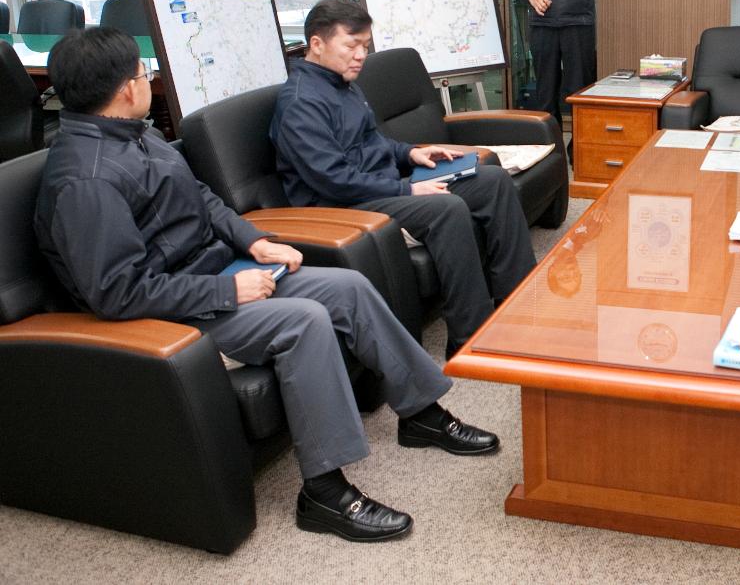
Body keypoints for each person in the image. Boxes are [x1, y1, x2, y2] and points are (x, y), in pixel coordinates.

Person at [34, 27, 500, 544]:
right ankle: (323, 493)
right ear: (125, 89)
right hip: (174, 308)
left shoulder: (135, 133)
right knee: (304, 321)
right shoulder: (86, 181)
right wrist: (227, 293)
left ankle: (421, 414)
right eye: (144, 74)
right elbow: (117, 293)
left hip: (216, 272)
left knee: (349, 288)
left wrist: (254, 241)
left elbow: (204, 199)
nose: (147, 81)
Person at [270, 0, 535, 358]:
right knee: (446, 208)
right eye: (351, 45)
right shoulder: (301, 103)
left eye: (365, 45)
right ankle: (470, 337)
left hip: (381, 183)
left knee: (492, 180)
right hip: (344, 204)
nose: (361, 55)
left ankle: (515, 302)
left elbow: (372, 141)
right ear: (317, 44)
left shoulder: (342, 83)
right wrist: (408, 188)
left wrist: (410, 153)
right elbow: (333, 179)